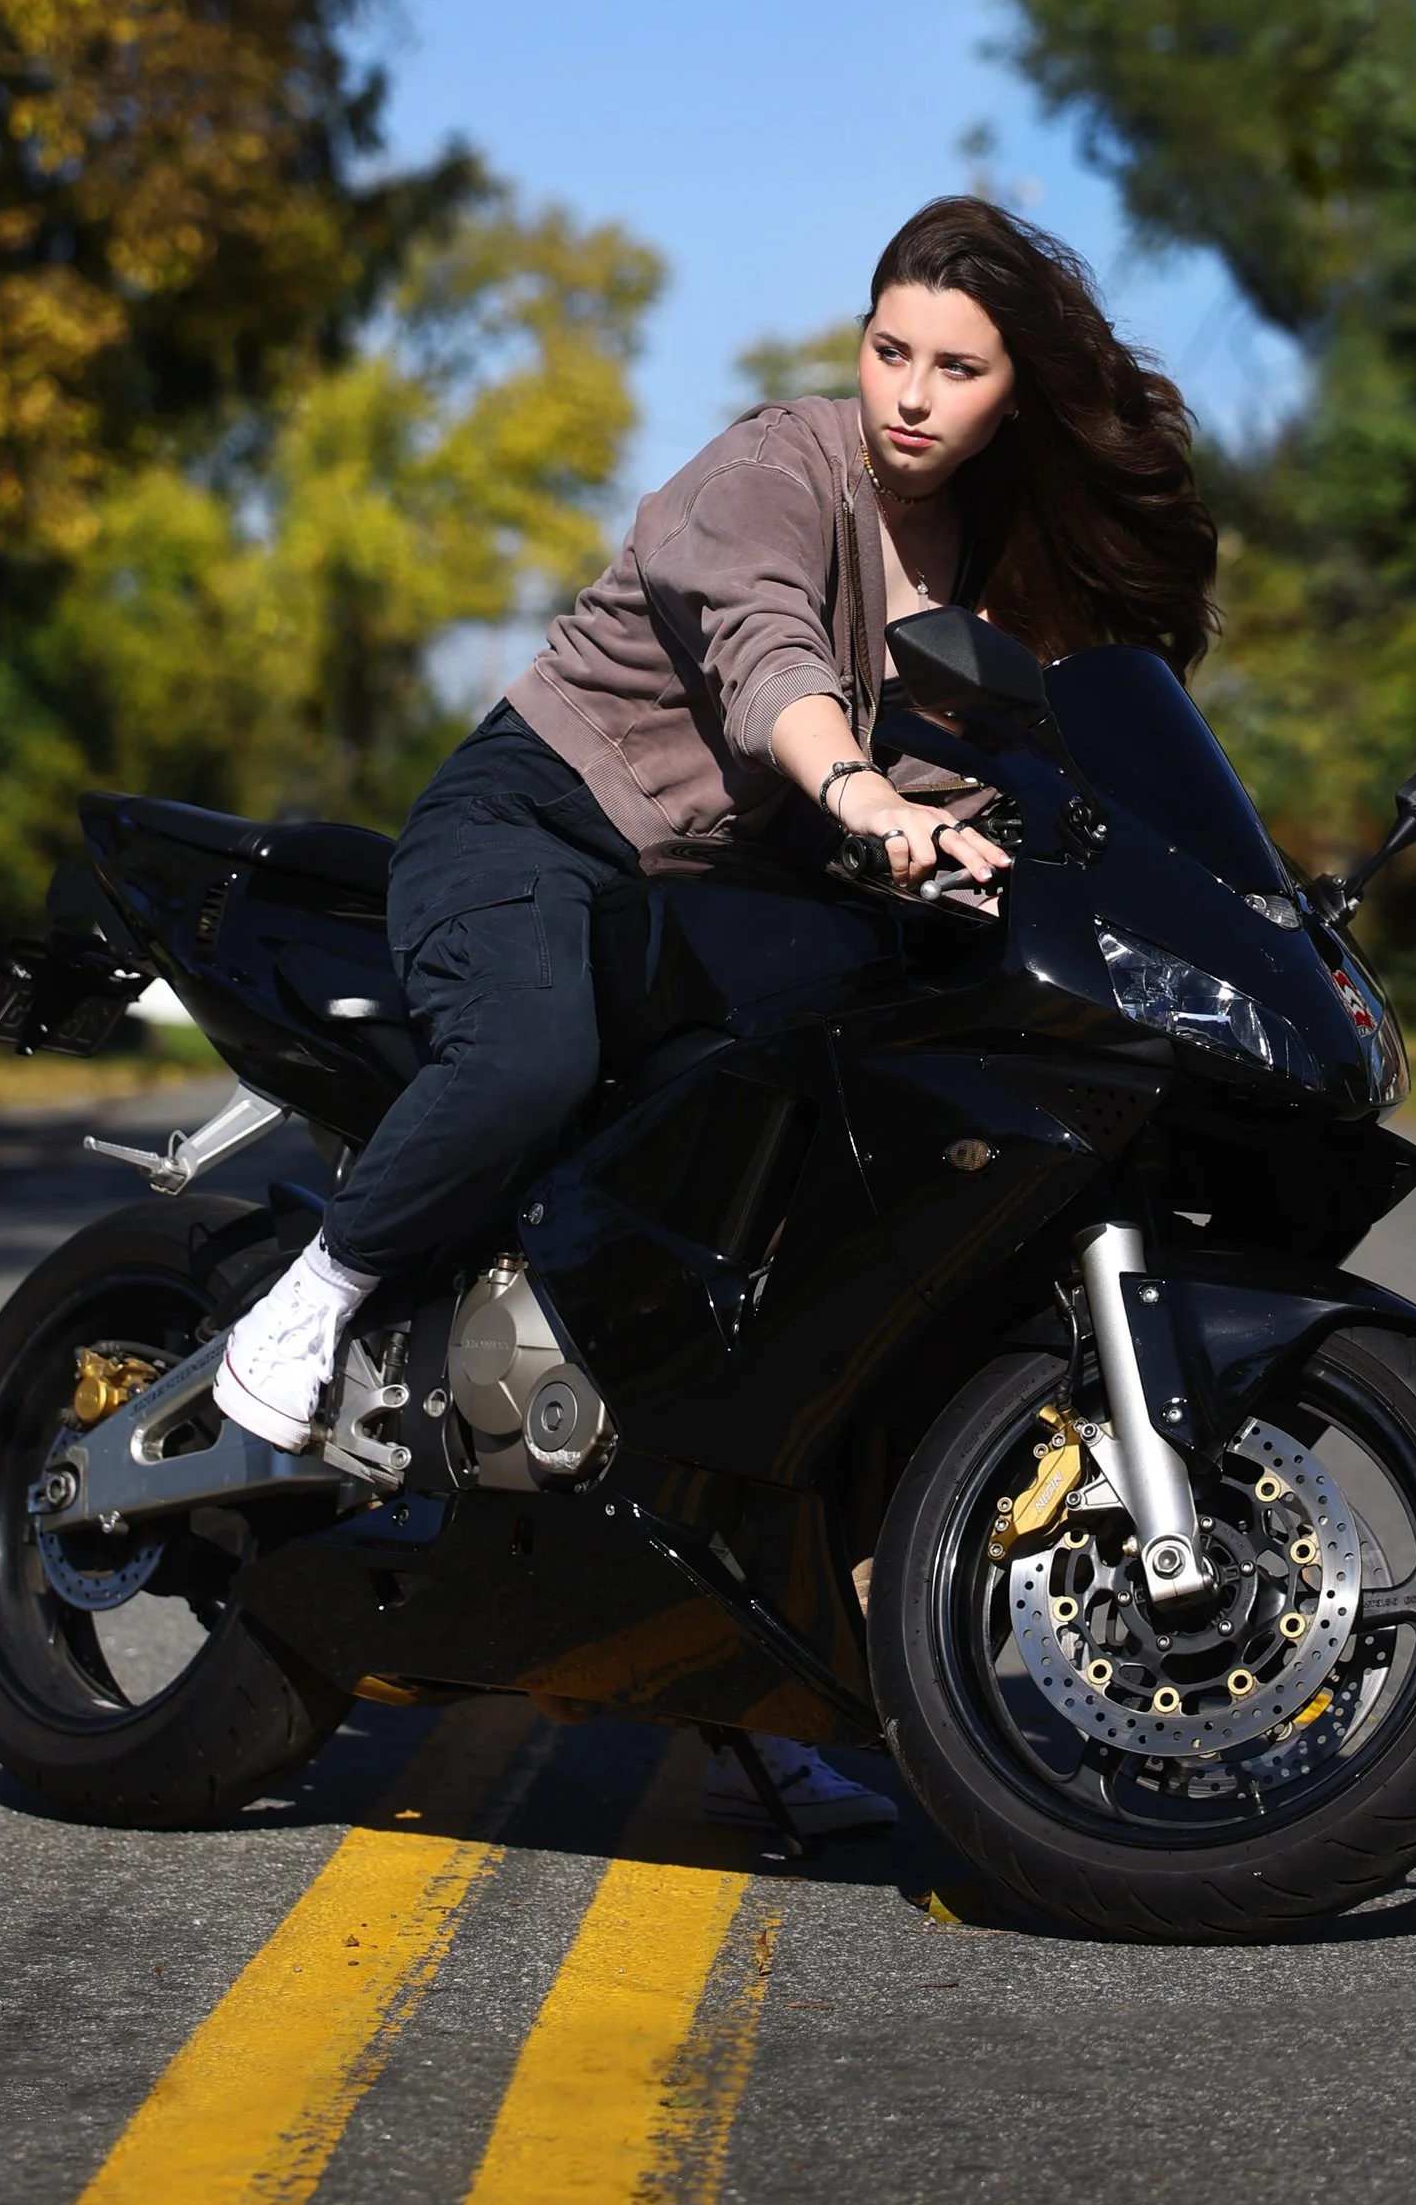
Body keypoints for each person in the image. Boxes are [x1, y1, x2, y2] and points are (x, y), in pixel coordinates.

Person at [214, 193, 1218, 1834]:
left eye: (955, 367)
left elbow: (1058, 769)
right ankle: (314, 1302)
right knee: (529, 1051)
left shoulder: (997, 569)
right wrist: (864, 793)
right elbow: (767, 660)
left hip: (722, 892)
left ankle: (792, 1652)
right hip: (537, 825)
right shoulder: (782, 464)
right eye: (892, 348)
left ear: (1016, 394)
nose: (909, 391)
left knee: (869, 1190)